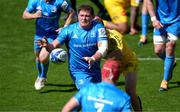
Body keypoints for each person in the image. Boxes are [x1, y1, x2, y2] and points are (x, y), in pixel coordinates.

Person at [36, 5, 108, 90]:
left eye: (87, 16)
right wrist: (47, 45)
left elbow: (103, 48)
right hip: (78, 71)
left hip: (95, 69)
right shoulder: (68, 30)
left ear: (92, 17)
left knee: (96, 97)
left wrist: (93, 58)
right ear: (78, 16)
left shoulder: (98, 27)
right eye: (81, 15)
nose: (83, 18)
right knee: (87, 92)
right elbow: (53, 46)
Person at [22, 0, 75, 90]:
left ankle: (42, 77)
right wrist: (34, 15)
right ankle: (40, 76)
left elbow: (71, 12)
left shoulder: (60, 2)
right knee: (38, 57)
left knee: (43, 57)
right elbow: (24, 15)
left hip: (52, 35)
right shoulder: (35, 1)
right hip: (38, 35)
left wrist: (65, 27)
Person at [62, 59, 132, 112]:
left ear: (102, 72)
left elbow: (66, 109)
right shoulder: (123, 98)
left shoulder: (87, 89)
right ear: (117, 76)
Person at [104, 29, 142, 111]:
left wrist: (100, 54)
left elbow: (118, 55)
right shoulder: (93, 36)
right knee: (106, 91)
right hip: (112, 65)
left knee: (130, 91)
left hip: (128, 63)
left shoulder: (115, 36)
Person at [146, 0, 179, 91]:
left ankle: (165, 81)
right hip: (160, 21)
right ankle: (171, 62)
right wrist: (153, 19)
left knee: (170, 45)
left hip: (176, 21)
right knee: (158, 51)